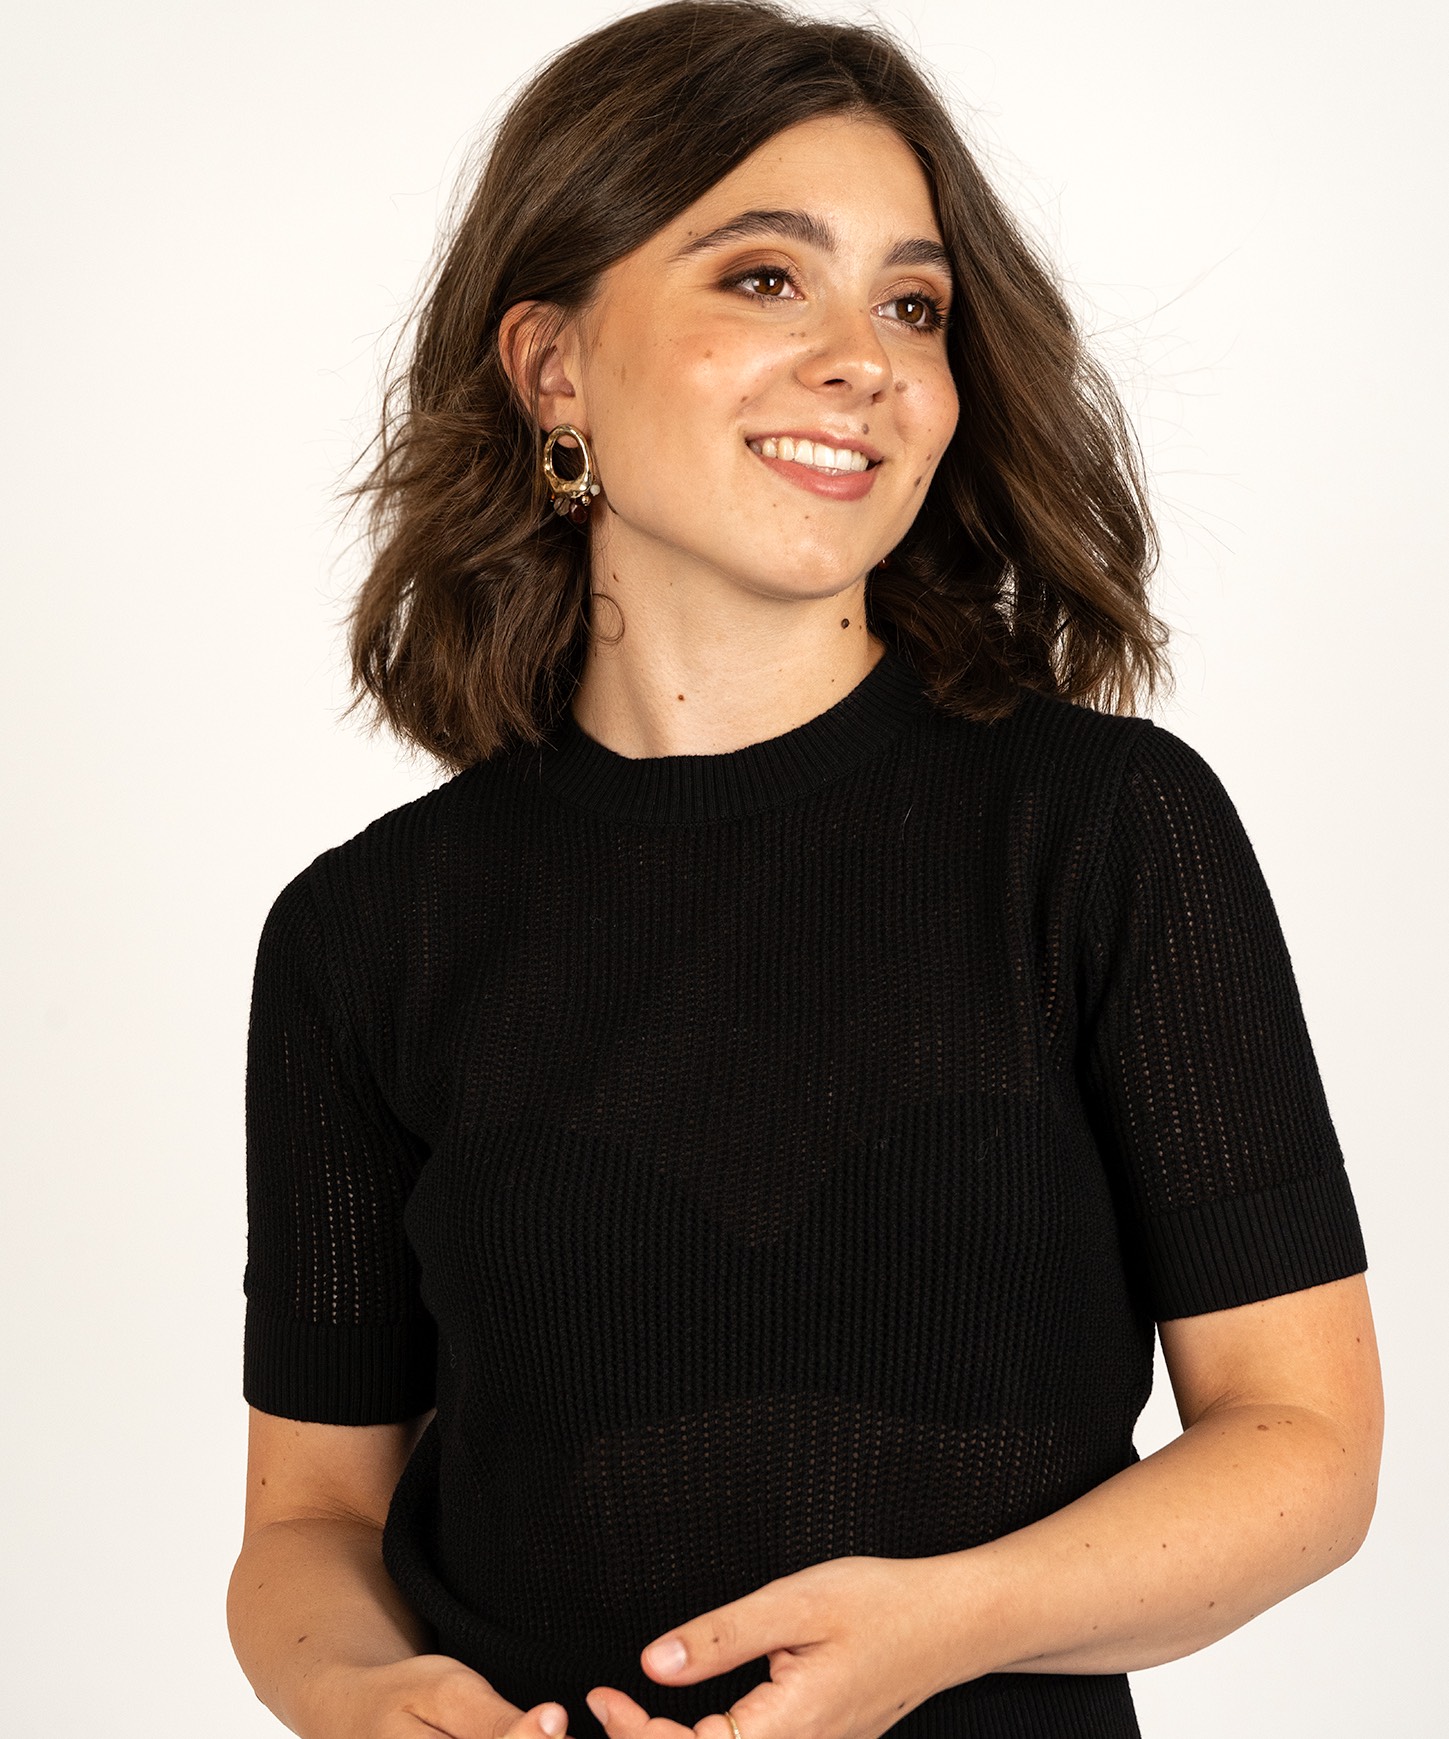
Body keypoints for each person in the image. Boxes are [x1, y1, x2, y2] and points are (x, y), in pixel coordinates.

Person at [225, 4, 1383, 1737]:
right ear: (550, 368)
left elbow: (1305, 1448)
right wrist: (369, 1702)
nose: (866, 361)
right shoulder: (364, 934)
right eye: (765, 278)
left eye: (912, 306)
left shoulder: (1103, 832)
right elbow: (308, 1520)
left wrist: (944, 1626)